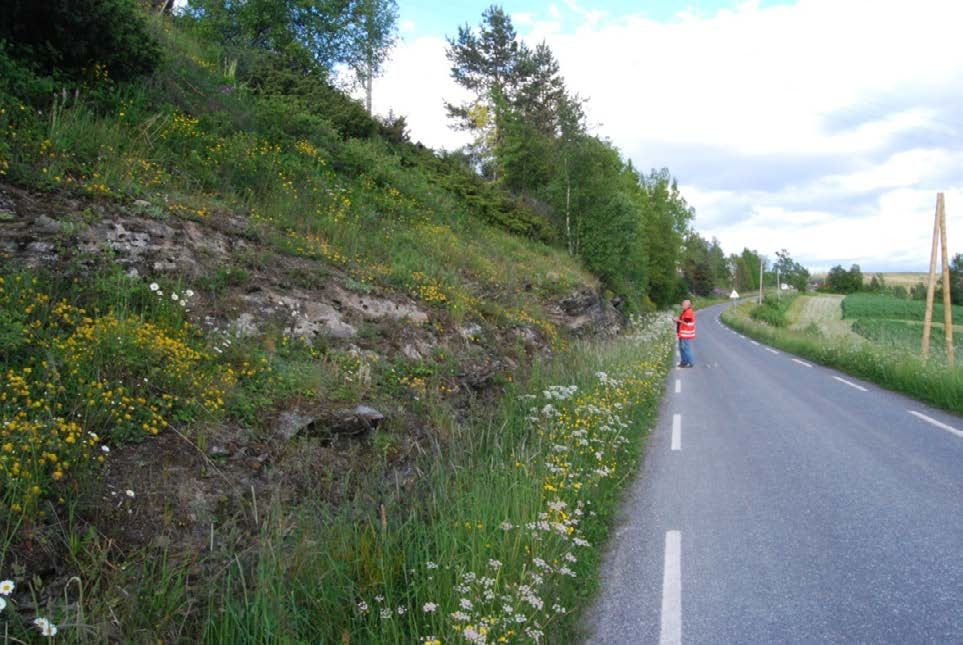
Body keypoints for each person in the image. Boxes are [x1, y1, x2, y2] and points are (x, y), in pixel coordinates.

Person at [674, 299, 696, 367]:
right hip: (682, 333)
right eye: (682, 304)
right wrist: (678, 320)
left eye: (683, 304)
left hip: (685, 334)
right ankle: (683, 362)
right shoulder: (685, 311)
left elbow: (687, 323)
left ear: (687, 305)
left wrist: (678, 320)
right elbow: (683, 321)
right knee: (682, 348)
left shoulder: (688, 312)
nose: (682, 305)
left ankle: (690, 362)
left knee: (686, 349)